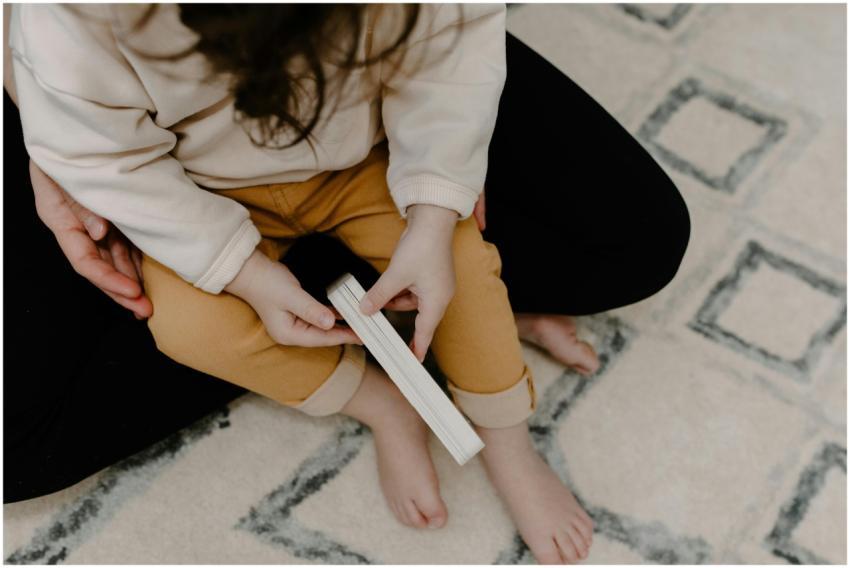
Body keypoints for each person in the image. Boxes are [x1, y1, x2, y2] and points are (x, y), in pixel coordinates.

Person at [5, 4, 690, 564]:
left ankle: (507, 440)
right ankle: (381, 401)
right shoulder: (74, 25)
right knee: (184, 330)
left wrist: (434, 204)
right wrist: (242, 272)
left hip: (362, 160)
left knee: (470, 267)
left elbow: (451, 50)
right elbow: (107, 158)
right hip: (198, 193)